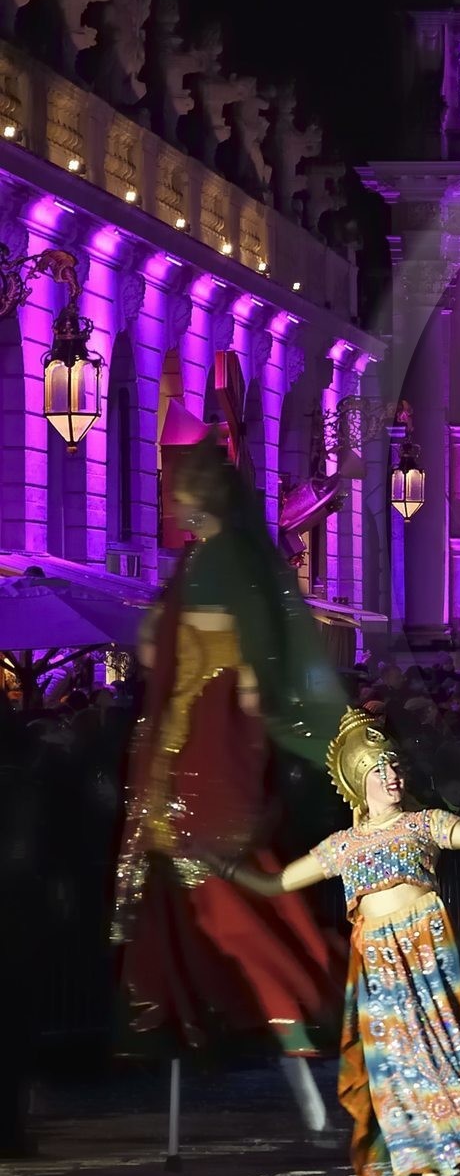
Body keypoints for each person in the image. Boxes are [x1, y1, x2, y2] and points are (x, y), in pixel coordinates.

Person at [211, 707, 460, 1176]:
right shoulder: (343, 846)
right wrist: (223, 866)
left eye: (395, 767)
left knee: (432, 1057)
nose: (392, 776)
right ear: (359, 783)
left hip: (424, 952)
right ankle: (419, 1172)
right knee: (392, 1069)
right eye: (380, 770)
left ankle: (437, 1165)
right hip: (377, 962)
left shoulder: (425, 823)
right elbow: (275, 883)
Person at [113, 438, 351, 1138]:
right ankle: (264, 1011)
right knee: (212, 902)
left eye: (180, 489)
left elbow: (250, 669)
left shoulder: (224, 562)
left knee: (227, 900)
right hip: (185, 752)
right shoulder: (206, 562)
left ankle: (299, 999)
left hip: (206, 753)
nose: (174, 500)